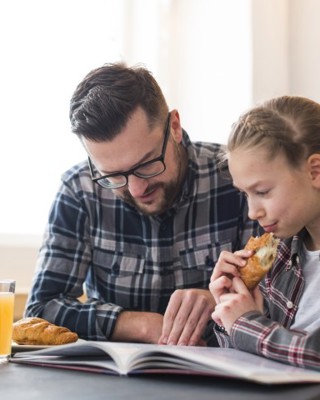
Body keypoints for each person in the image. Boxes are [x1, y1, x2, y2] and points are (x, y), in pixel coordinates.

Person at [25, 62, 258, 346]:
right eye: (112, 175)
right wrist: (143, 325)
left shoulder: (237, 179)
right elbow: (42, 308)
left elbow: (281, 295)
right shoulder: (79, 189)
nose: (136, 189)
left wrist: (218, 299)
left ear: (174, 126)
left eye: (147, 164)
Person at [209, 95, 320, 369]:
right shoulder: (280, 254)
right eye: (245, 194)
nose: (252, 212)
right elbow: (256, 361)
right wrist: (233, 307)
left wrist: (246, 323)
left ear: (315, 171)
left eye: (262, 192)